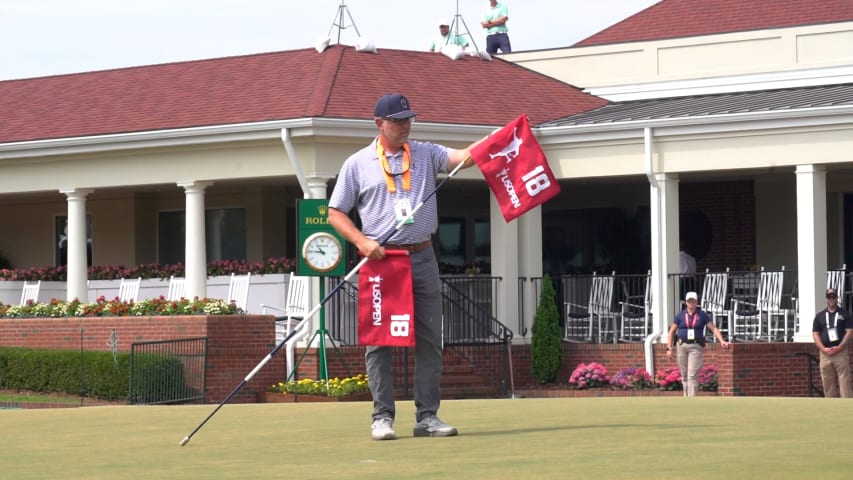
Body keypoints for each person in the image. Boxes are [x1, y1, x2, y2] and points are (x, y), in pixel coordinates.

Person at [327, 93, 484, 441]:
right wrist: (361, 241)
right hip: (382, 260)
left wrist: (498, 138)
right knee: (379, 340)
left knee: (430, 338)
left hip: (423, 255)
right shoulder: (358, 163)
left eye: (408, 119)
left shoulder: (426, 153)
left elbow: (464, 158)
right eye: (397, 121)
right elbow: (335, 212)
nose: (405, 126)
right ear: (378, 123)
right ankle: (382, 417)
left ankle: (427, 417)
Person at [666, 291, 730, 396]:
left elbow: (713, 328)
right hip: (681, 345)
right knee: (684, 374)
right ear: (686, 302)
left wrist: (722, 340)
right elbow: (672, 331)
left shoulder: (702, 315)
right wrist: (669, 348)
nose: (691, 303)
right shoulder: (680, 315)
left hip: (695, 346)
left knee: (692, 374)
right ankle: (686, 397)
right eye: (689, 301)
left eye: (693, 301)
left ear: (697, 302)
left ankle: (692, 399)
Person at [812, 288, 853, 398]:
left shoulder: (845, 314)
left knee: (844, 380)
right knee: (827, 381)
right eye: (829, 297)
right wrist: (822, 348)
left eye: (833, 297)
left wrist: (840, 347)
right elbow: (815, 334)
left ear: (836, 298)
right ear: (826, 299)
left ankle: (847, 405)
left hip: (840, 352)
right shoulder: (819, 316)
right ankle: (830, 405)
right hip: (825, 353)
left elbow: (849, 332)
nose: (831, 299)